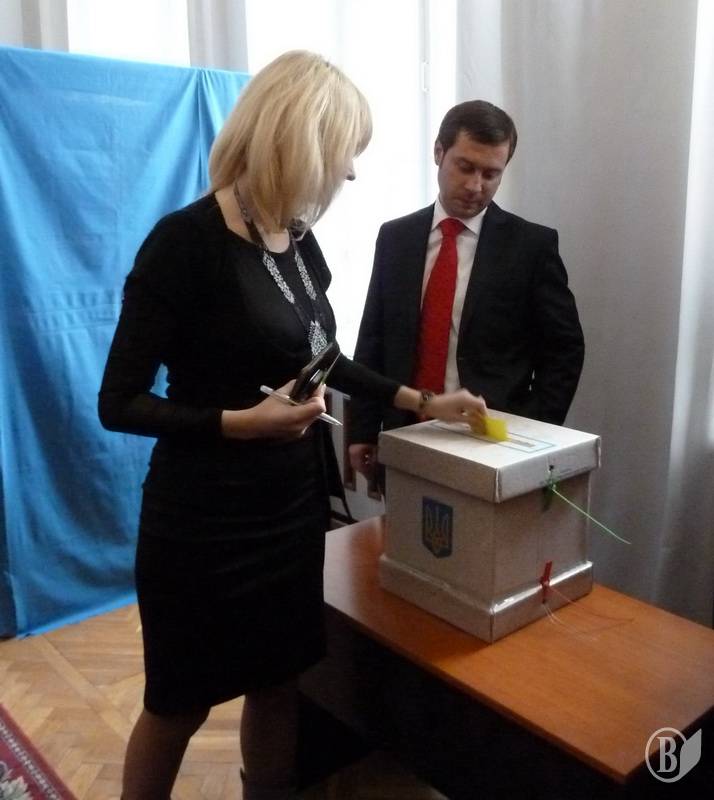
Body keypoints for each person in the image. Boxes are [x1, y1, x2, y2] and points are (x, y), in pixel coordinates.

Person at [98, 51, 486, 800]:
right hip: (204, 524)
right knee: (177, 705)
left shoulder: (299, 242)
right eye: (345, 150)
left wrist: (420, 401)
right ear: (302, 139)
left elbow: (323, 356)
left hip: (288, 513)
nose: (350, 172)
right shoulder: (184, 243)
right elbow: (119, 403)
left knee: (280, 684)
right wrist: (239, 423)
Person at [348, 100, 584, 480]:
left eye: (491, 174)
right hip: (404, 433)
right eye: (466, 167)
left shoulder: (531, 247)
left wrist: (532, 429)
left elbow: (564, 350)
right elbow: (373, 339)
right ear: (439, 153)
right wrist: (361, 430)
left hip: (494, 444)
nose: (476, 186)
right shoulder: (396, 238)